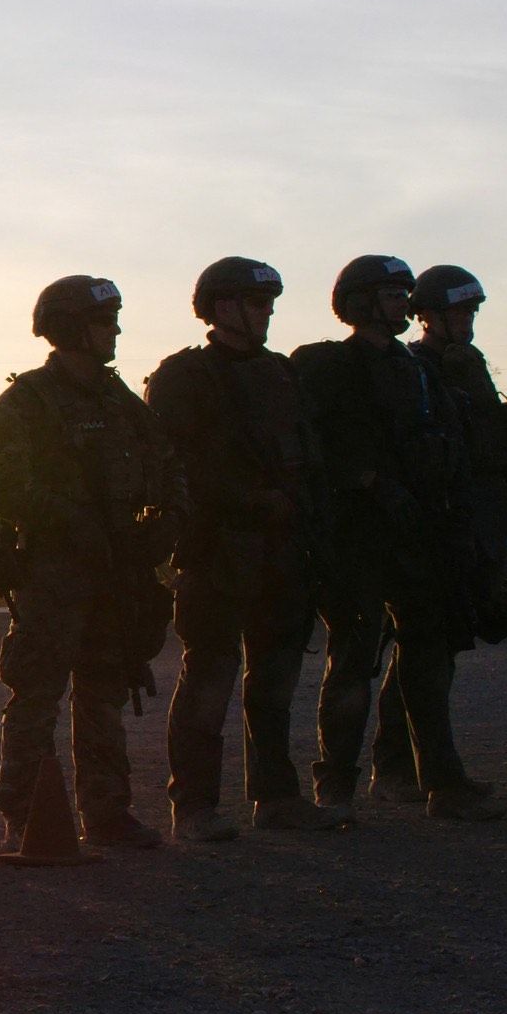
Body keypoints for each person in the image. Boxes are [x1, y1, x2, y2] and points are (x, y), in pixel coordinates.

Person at [146, 258, 348, 841]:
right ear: (223, 307)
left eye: (269, 304)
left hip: (284, 555)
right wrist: (247, 501)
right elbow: (174, 465)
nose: (268, 314)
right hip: (216, 554)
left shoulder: (281, 375)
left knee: (275, 683)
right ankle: (195, 807)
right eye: (258, 303)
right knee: (208, 682)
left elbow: (308, 460)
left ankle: (277, 798)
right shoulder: (184, 376)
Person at [293, 256, 501, 821]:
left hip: (420, 533)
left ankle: (440, 781)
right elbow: (312, 445)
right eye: (390, 293)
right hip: (359, 535)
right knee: (355, 659)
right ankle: (334, 786)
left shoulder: (421, 371)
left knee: (427, 656)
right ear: (360, 301)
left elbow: (448, 443)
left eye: (404, 292)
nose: (403, 303)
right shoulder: (327, 364)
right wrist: (370, 483)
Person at [0, 277, 185, 853]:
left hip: (116, 573)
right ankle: (26, 813)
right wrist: (73, 525)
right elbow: (6, 488)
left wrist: (167, 522)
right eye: (103, 320)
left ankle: (107, 813)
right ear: (70, 327)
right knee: (37, 694)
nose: (115, 331)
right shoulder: (27, 402)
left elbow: (169, 463)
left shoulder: (120, 402)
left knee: (103, 694)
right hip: (54, 574)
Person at [366, 266, 507, 806]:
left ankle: (395, 770)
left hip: (479, 523)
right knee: (426, 648)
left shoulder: (468, 366)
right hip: (439, 528)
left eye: (472, 311)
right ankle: (433, 778)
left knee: (429, 649)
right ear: (428, 316)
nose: (469, 321)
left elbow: (493, 448)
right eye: (460, 312)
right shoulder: (417, 369)